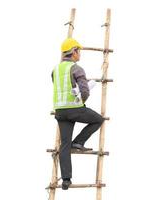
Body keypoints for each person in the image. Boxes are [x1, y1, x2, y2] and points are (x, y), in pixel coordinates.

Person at [52, 38, 104, 190]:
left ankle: (66, 180)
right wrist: (81, 100)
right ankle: (79, 142)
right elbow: (85, 90)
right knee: (97, 119)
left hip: (60, 111)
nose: (79, 54)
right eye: (78, 51)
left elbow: (59, 87)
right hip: (74, 109)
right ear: (73, 52)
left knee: (64, 145)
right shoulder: (76, 68)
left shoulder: (55, 69)